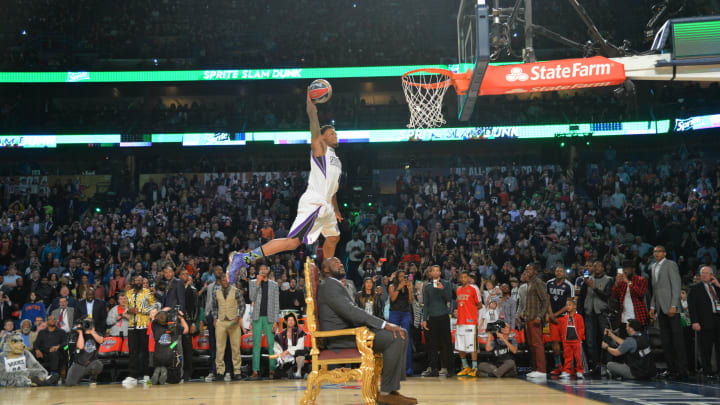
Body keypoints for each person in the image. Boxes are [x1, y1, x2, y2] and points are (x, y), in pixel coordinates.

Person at [227, 91, 343, 283]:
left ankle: (327, 277)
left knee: (333, 237)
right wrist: (311, 106)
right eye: (331, 133)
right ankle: (243, 259)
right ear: (322, 137)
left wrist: (337, 210)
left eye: (335, 132)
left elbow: (333, 190)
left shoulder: (336, 160)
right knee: (292, 243)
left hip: (327, 205)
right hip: (315, 202)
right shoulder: (320, 149)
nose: (335, 135)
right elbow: (313, 123)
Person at [317, 257, 416, 405]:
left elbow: (350, 312)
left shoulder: (333, 284)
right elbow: (351, 312)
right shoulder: (329, 285)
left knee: (401, 332)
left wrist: (382, 325)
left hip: (351, 332)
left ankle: (391, 390)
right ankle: (386, 393)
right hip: (341, 337)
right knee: (396, 336)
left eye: (340, 261)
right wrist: (383, 324)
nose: (340, 264)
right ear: (325, 269)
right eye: (335, 262)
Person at [649, 245, 688, 378]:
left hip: (672, 309)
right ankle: (671, 369)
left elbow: (676, 286)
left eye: (659, 251)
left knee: (677, 341)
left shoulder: (671, 264)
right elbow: (655, 290)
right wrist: (652, 306)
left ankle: (682, 370)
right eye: (655, 252)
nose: (656, 254)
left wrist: (674, 305)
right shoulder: (653, 267)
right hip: (660, 309)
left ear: (664, 253)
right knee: (666, 341)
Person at [206, 273, 245, 382]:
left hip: (234, 322)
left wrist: (239, 316)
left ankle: (237, 371)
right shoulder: (216, 292)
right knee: (220, 348)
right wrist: (214, 318)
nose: (225, 282)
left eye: (227, 280)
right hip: (221, 322)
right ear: (220, 281)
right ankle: (220, 371)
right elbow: (213, 306)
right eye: (223, 280)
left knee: (235, 348)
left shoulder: (236, 291)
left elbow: (242, 305)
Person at [578, 260, 614, 377]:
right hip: (589, 313)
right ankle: (595, 367)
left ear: (603, 268)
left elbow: (607, 296)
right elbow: (582, 296)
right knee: (590, 342)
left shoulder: (608, 280)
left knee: (606, 340)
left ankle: (608, 367)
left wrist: (594, 288)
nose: (597, 268)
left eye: (599, 266)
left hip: (602, 313)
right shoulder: (588, 280)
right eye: (595, 266)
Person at [123, 274, 155, 386]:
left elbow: (153, 307)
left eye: (141, 280)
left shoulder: (148, 292)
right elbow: (126, 307)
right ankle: (133, 375)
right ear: (133, 281)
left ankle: (146, 375)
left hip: (144, 325)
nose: (139, 282)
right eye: (137, 280)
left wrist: (140, 309)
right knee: (132, 351)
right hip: (132, 325)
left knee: (145, 351)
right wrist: (129, 310)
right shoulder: (128, 293)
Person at [249, 264, 280, 380]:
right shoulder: (253, 283)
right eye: (261, 269)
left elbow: (277, 303)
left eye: (265, 268)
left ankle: (272, 370)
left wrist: (276, 321)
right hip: (257, 317)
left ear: (268, 270)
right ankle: (255, 371)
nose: (263, 270)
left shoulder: (274, 285)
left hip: (270, 317)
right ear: (258, 271)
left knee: (271, 345)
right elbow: (251, 298)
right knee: (256, 345)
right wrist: (257, 283)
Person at [421, 265, 453, 378]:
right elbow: (426, 304)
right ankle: (432, 367)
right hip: (432, 318)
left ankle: (445, 367)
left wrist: (442, 289)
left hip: (443, 316)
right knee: (431, 344)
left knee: (445, 343)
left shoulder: (446, 283)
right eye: (432, 271)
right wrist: (424, 319)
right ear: (430, 273)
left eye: (437, 270)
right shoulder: (428, 286)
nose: (435, 272)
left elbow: (449, 299)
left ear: (440, 272)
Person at [688, 266, 720, 377]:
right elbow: (692, 307)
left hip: (717, 319)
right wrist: (694, 321)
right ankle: (708, 371)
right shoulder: (695, 287)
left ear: (712, 275)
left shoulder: (716, 287)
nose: (704, 275)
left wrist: (718, 285)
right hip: (704, 321)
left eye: (707, 273)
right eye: (702, 273)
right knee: (706, 348)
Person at [523, 263, 550, 379]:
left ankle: (542, 370)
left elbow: (545, 301)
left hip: (536, 318)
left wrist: (540, 316)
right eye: (526, 269)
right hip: (529, 318)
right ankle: (535, 369)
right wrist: (524, 312)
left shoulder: (538, 283)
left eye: (530, 269)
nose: (527, 271)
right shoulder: (529, 283)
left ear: (535, 271)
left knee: (537, 344)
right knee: (532, 345)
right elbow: (530, 302)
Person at [546, 266, 575, 375]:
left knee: (567, 343)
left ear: (564, 273)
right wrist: (551, 314)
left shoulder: (569, 286)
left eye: (561, 271)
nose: (558, 273)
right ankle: (558, 366)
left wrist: (555, 315)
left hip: (564, 317)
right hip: (552, 317)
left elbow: (569, 304)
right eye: (557, 271)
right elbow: (547, 300)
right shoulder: (549, 283)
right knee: (555, 342)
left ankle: (569, 367)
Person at [150, 308, 188, 385]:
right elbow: (186, 330)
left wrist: (162, 311)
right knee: (176, 343)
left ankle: (160, 369)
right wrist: (181, 318)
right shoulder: (175, 326)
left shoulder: (154, 325)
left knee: (160, 345)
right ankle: (170, 377)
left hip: (158, 353)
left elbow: (154, 319)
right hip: (170, 351)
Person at [455, 271, 482, 377]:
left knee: (472, 347)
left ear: (468, 278)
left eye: (465, 277)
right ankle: (466, 367)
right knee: (460, 346)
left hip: (471, 322)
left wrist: (470, 312)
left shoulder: (474, 288)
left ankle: (474, 368)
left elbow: (479, 305)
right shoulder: (458, 290)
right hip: (460, 321)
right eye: (461, 277)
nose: (463, 279)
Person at [612, 260, 649, 334]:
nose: (625, 270)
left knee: (638, 342)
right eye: (624, 268)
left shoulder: (641, 280)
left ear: (633, 269)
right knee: (624, 342)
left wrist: (628, 282)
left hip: (637, 317)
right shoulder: (622, 282)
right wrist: (616, 283)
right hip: (624, 318)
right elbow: (615, 295)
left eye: (627, 268)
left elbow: (640, 294)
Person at [388, 270, 413, 376]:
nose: (402, 278)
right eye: (401, 277)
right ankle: (394, 369)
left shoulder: (407, 286)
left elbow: (411, 301)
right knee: (394, 339)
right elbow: (393, 299)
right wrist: (399, 287)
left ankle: (408, 369)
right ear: (397, 278)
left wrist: (409, 289)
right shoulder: (392, 286)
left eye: (404, 276)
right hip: (394, 313)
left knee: (406, 339)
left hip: (405, 313)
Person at [66, 318, 104, 386]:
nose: (87, 325)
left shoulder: (97, 333)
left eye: (89, 323)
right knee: (69, 384)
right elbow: (80, 347)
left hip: (91, 363)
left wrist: (92, 332)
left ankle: (93, 378)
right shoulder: (76, 334)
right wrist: (80, 333)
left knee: (98, 365)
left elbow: (101, 340)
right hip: (78, 364)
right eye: (85, 323)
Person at [272, 312, 306, 379]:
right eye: (289, 320)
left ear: (295, 322)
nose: (291, 321)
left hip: (295, 356)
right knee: (278, 375)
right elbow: (276, 348)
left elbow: (300, 347)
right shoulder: (279, 336)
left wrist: (288, 351)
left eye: (292, 320)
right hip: (284, 358)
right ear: (286, 322)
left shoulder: (300, 333)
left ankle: (298, 372)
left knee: (301, 353)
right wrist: (282, 354)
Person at [557, 299, 585, 379]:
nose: (568, 307)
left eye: (569, 305)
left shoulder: (579, 317)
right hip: (567, 341)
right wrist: (563, 338)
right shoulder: (564, 318)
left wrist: (580, 338)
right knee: (567, 357)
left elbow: (582, 328)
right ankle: (566, 371)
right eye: (567, 305)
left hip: (576, 341)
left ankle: (579, 371)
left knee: (578, 357)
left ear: (574, 306)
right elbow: (562, 329)